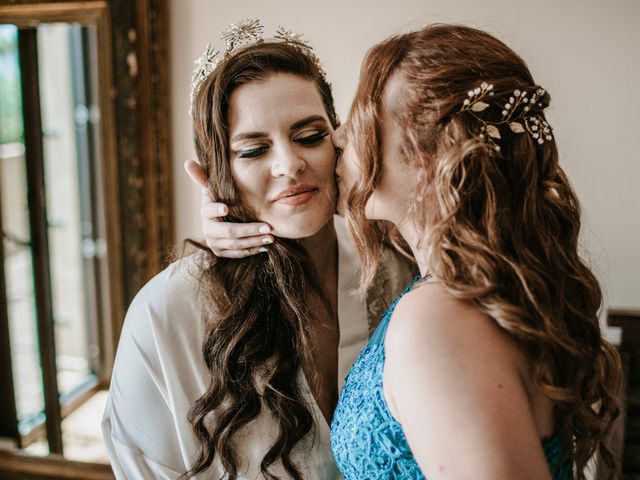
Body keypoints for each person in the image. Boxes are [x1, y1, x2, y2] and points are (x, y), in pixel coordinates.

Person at [101, 20, 414, 480]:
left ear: (341, 139)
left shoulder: (392, 265)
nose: (289, 165)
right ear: (213, 173)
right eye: (253, 150)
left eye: (309, 136)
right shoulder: (165, 313)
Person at [327, 23, 622, 480]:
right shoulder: (464, 290)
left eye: (361, 117)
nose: (340, 136)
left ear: (433, 158)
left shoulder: (441, 320)